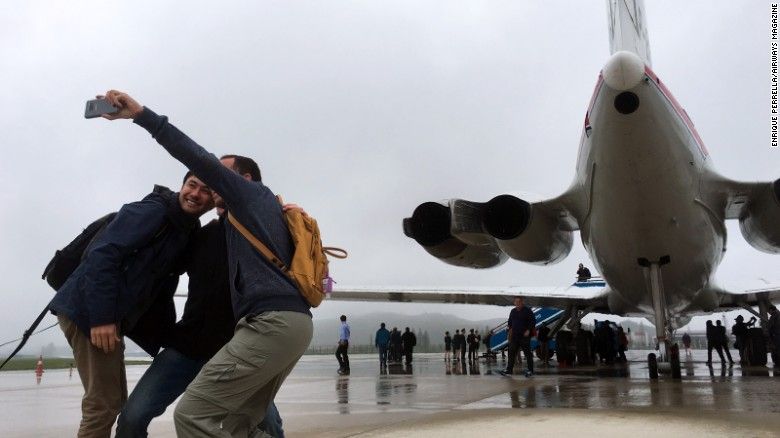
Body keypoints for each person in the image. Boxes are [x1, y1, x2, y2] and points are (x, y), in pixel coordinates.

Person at [102, 90, 314, 437]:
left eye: (218, 175)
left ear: (243, 182)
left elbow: (196, 156)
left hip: (246, 339)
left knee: (246, 421)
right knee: (135, 417)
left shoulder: (262, 210)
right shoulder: (215, 231)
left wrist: (141, 114)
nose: (210, 183)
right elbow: (157, 272)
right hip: (191, 343)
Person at [48, 170, 213, 437]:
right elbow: (101, 254)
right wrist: (101, 318)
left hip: (106, 315)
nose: (195, 194)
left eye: (204, 190)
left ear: (213, 198)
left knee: (113, 402)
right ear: (182, 186)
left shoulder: (186, 228)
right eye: (191, 185)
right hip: (89, 312)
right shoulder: (155, 212)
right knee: (102, 406)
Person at [115, 199, 291, 437]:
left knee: (268, 422)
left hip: (237, 353)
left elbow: (304, 268)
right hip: (188, 347)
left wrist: (290, 220)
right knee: (131, 418)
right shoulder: (200, 236)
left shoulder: (264, 239)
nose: (218, 192)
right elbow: (156, 266)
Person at [500, 297, 536, 377]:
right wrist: (508, 327)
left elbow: (533, 321)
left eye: (519, 301)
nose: (517, 303)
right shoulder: (513, 311)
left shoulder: (527, 311)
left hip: (524, 336)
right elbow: (510, 322)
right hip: (515, 336)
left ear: (522, 302)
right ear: (514, 303)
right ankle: (509, 371)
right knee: (511, 353)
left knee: (527, 354)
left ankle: (530, 371)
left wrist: (528, 330)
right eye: (516, 302)